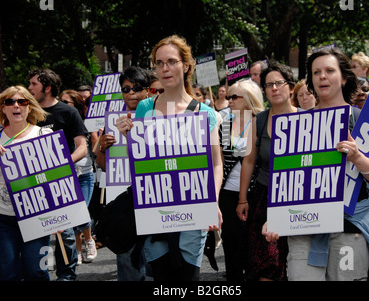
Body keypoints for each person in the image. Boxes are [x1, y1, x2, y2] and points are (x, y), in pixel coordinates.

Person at [263, 48, 369, 281]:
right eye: (316, 72)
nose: (322, 77)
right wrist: (275, 217)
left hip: (348, 229)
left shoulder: (360, 120)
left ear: (344, 77)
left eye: (329, 70)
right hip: (303, 229)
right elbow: (287, 180)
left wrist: (358, 158)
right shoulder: (297, 124)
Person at [118, 35, 223, 281]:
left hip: (193, 207)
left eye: (172, 61)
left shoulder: (204, 113)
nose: (165, 68)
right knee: (162, 277)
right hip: (155, 206)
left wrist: (213, 201)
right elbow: (138, 161)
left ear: (186, 65)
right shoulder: (145, 107)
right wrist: (128, 138)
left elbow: (216, 163)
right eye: (159, 62)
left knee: (187, 277)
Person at [0, 86, 52, 281]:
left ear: (29, 107)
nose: (16, 106)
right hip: (3, 218)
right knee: (7, 274)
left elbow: (56, 178)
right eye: (10, 102)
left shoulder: (43, 134)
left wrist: (60, 215)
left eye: (22, 102)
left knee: (36, 271)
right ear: (3, 108)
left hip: (36, 216)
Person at [237, 62, 297, 281]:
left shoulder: (307, 119)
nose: (274, 88)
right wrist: (243, 199)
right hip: (264, 198)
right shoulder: (259, 121)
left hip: (296, 197)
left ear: (291, 87)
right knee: (266, 263)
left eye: (279, 83)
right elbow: (250, 160)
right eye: (269, 85)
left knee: (294, 260)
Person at [28, 68, 88, 281]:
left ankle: (66, 276)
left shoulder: (68, 112)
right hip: (33, 185)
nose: (29, 88)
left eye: (34, 84)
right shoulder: (27, 113)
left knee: (66, 234)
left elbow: (82, 147)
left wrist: (62, 164)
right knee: (36, 234)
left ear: (48, 87)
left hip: (62, 182)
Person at [96, 66, 150, 281]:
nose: (131, 93)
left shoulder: (159, 116)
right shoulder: (112, 121)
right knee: (127, 257)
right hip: (125, 199)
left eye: (136, 88)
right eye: (126, 89)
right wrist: (102, 147)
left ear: (147, 90)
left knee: (153, 258)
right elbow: (103, 166)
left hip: (155, 195)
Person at [219, 79, 264, 280]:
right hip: (228, 193)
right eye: (228, 97)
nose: (229, 100)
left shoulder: (263, 122)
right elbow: (220, 161)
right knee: (231, 243)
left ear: (248, 98)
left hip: (257, 191)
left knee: (255, 243)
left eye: (234, 96)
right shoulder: (226, 125)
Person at [59, 90, 97, 265]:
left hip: (85, 175)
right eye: (61, 101)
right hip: (66, 176)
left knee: (81, 211)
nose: (62, 105)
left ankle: (89, 240)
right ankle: (78, 250)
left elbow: (94, 149)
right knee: (72, 215)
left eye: (67, 102)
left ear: (76, 106)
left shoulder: (87, 123)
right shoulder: (57, 124)